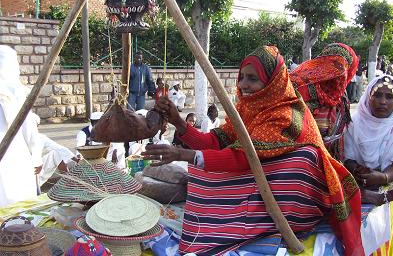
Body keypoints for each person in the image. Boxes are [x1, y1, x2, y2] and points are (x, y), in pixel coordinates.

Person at [142, 46, 363, 255]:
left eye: (252, 78)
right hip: (267, 180)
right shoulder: (251, 107)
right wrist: (179, 123)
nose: (243, 84)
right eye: (242, 77)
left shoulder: (286, 114)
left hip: (301, 197)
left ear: (272, 81)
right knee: (208, 171)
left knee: (297, 160)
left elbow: (244, 158)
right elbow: (215, 142)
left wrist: (182, 154)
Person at [344, 75, 393, 189]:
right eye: (377, 95)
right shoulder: (355, 122)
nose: (383, 101)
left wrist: (384, 177)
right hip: (359, 181)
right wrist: (357, 170)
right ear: (369, 97)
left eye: (389, 97)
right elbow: (347, 156)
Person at [290, 43, 359, 161]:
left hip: (330, 164)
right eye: (330, 63)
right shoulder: (299, 88)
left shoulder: (342, 98)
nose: (335, 72)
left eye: (339, 66)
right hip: (298, 165)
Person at [0, 45, 43, 207]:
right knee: (19, 206)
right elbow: (28, 126)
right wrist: (36, 155)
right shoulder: (15, 90)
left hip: (13, 153)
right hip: (14, 154)